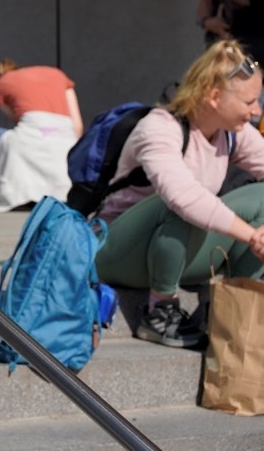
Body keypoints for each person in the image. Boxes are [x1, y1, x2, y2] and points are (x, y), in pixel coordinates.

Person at [95, 39, 264, 349]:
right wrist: (252, 236)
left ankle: (240, 302)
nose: (256, 112)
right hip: (114, 252)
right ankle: (160, 311)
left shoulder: (234, 135)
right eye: (250, 102)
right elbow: (182, 197)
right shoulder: (160, 127)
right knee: (179, 202)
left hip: (169, 251)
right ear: (214, 96)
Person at [0, 59, 83, 213]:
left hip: (29, 138)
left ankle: (9, 184)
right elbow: (77, 125)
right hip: (65, 139)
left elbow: (19, 122)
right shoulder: (58, 76)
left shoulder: (0, 85)